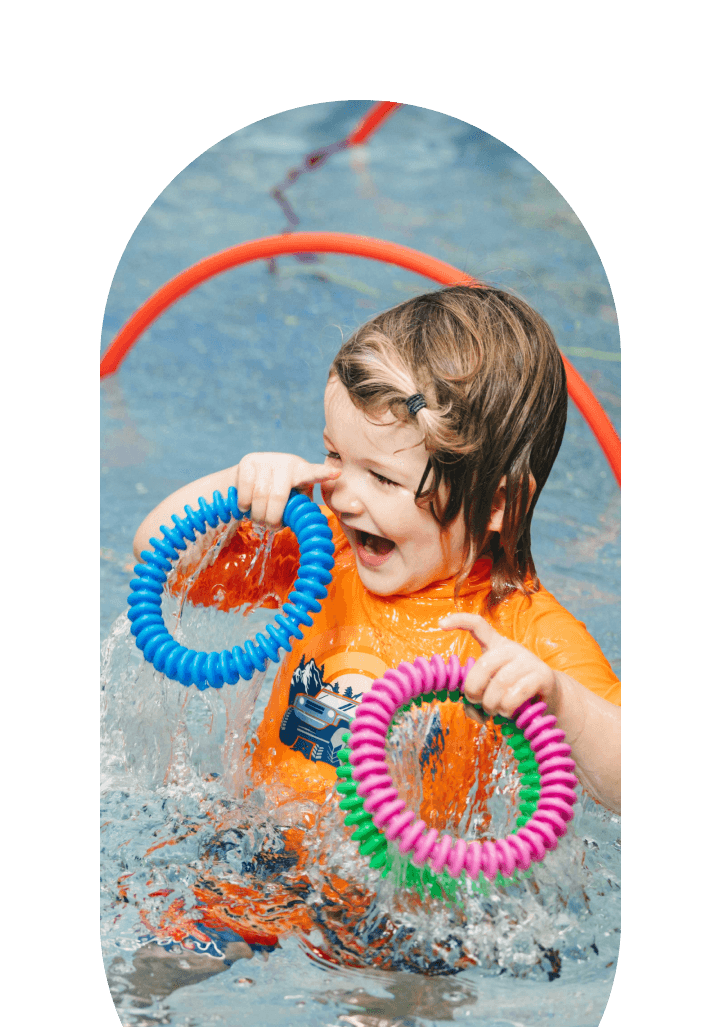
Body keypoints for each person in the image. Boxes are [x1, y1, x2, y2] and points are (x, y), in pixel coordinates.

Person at [135, 285, 620, 832]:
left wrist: (559, 702)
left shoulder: (522, 635)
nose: (343, 495)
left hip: (394, 907)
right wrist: (238, 488)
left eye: (384, 478)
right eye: (335, 456)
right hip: (252, 849)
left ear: (499, 505)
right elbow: (158, 556)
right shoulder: (323, 562)